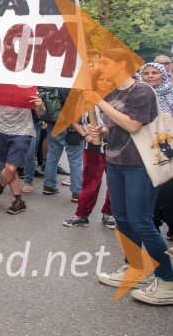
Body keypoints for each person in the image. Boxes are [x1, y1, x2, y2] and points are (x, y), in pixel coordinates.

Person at [92, 49, 173, 305]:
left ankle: (168, 280)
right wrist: (101, 130)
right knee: (123, 219)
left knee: (141, 222)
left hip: (140, 164)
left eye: (105, 63)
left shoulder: (141, 91)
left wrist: (99, 102)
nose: (101, 67)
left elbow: (133, 125)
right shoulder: (114, 92)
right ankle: (135, 267)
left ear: (122, 64)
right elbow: (114, 127)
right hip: (116, 162)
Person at [63, 69, 116, 228]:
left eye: (108, 80)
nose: (105, 83)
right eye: (101, 80)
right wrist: (86, 135)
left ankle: (109, 213)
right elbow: (76, 123)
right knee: (90, 183)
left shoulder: (118, 101)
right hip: (92, 148)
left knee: (114, 183)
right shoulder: (85, 100)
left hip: (116, 147)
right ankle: (82, 215)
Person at [0, 98, 41, 215]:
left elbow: (40, 112)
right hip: (1, 132)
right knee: (9, 168)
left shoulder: (29, 89)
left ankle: (0, 187)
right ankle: (19, 201)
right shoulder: (3, 87)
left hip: (22, 133)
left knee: (11, 168)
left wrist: (39, 105)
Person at [139, 62, 173, 243]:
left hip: (168, 147)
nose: (150, 76)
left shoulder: (171, 92)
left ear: (163, 74)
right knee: (150, 188)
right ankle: (153, 225)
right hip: (146, 146)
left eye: (154, 73)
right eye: (146, 73)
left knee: (167, 187)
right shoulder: (139, 94)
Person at [42, 88, 83, 200]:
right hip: (73, 127)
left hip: (55, 123)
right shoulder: (78, 86)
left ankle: (49, 185)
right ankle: (77, 191)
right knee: (76, 159)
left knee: (52, 156)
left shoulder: (58, 84)